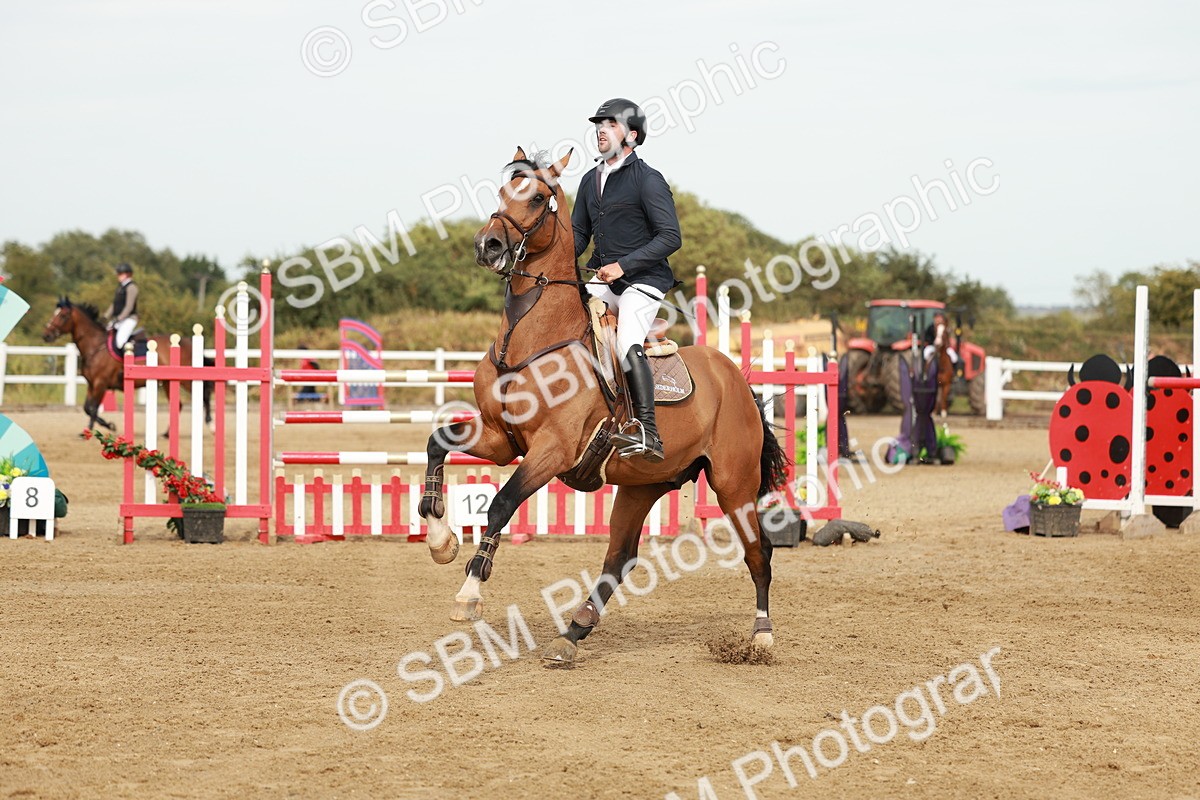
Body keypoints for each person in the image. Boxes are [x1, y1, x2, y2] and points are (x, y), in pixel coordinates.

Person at [572, 98, 682, 462]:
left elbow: (670, 237)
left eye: (611, 124)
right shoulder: (590, 181)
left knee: (626, 342)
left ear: (631, 136)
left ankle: (648, 432)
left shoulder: (647, 179)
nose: (601, 130)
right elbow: (577, 236)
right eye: (598, 124)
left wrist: (624, 266)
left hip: (643, 282)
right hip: (602, 281)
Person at [104, 262, 140, 350]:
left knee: (120, 342)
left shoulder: (132, 287)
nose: (118, 276)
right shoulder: (120, 287)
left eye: (120, 274)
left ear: (127, 274)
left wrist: (118, 319)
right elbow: (114, 304)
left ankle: (126, 362)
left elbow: (129, 307)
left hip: (129, 319)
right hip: (119, 319)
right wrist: (105, 316)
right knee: (105, 335)